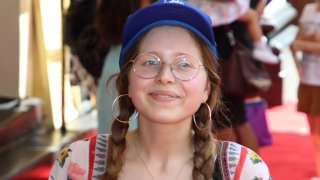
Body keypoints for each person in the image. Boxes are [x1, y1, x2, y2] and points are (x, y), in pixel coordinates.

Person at [49, 1, 271, 179]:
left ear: (207, 87)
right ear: (126, 81)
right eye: (150, 62)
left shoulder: (243, 171)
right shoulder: (76, 164)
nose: (165, 76)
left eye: (184, 64)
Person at [188, 0, 278, 64]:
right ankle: (260, 47)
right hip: (214, 9)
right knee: (251, 17)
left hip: (218, 11)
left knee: (252, 17)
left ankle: (260, 47)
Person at [290, 0, 320, 178]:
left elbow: (299, 43)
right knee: (314, 133)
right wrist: (312, 39)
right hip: (308, 78)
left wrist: (304, 43)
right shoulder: (308, 9)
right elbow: (294, 44)